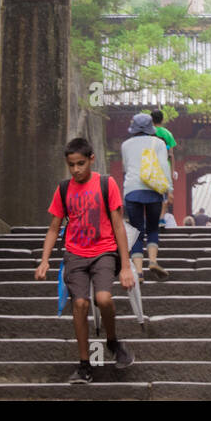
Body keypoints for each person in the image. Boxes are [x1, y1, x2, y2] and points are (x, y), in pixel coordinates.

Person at [35, 137, 135, 383]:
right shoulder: (64, 189)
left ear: (92, 159)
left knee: (103, 298)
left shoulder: (106, 183)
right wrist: (44, 259)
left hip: (104, 251)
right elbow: (53, 227)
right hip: (75, 253)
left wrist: (125, 266)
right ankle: (84, 364)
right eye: (71, 165)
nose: (76, 169)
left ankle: (112, 342)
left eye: (81, 163)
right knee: (79, 304)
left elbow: (118, 226)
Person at [120, 113, 172, 281]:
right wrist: (168, 189)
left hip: (132, 190)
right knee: (152, 228)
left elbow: (126, 167)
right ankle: (153, 261)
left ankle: (139, 272)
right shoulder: (158, 143)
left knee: (136, 230)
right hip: (153, 189)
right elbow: (164, 166)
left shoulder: (125, 145)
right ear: (151, 128)